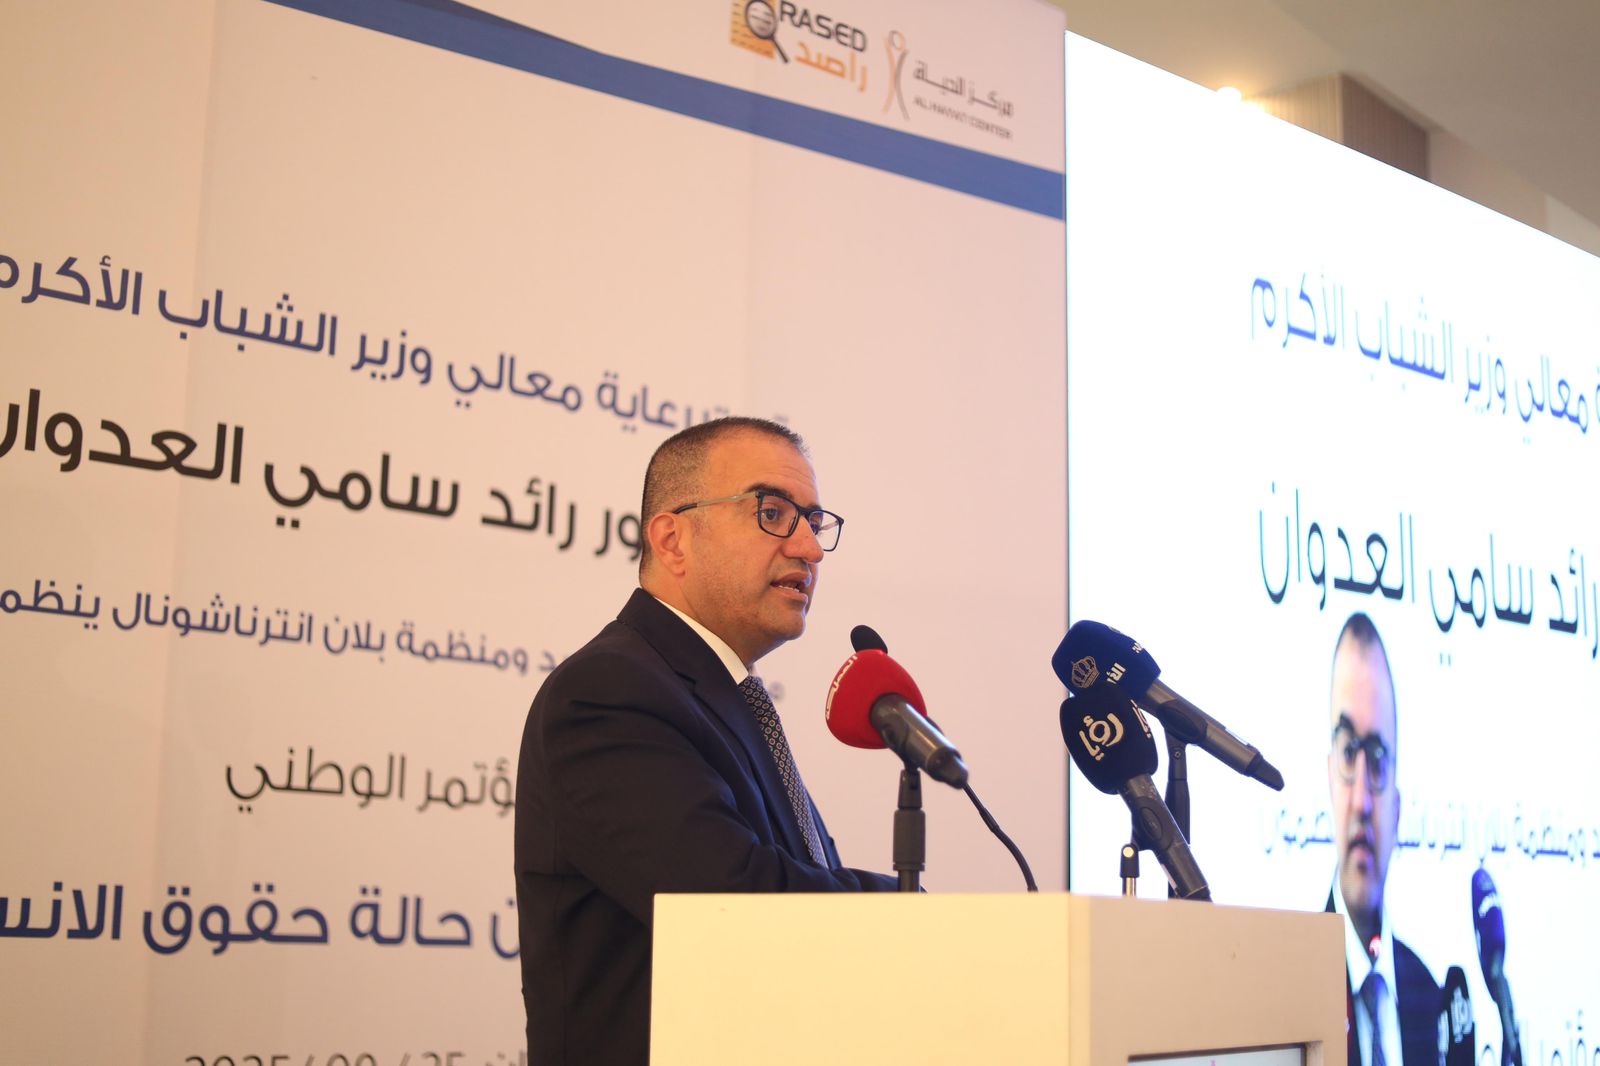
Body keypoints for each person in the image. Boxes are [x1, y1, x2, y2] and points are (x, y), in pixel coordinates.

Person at [514, 416, 897, 1065]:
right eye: (773, 512)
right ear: (674, 540)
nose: (810, 548)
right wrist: (914, 916)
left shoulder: (725, 698)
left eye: (814, 521)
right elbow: (731, 905)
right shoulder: (607, 692)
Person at [1325, 612, 1439, 1066]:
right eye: (1348, 752)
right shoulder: (1292, 989)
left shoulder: (1430, 996)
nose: (1361, 801)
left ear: (1398, 806)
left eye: (1377, 759)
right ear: (1328, 779)